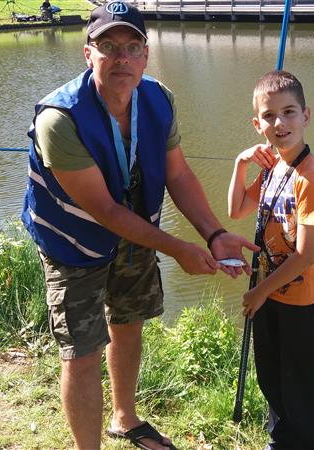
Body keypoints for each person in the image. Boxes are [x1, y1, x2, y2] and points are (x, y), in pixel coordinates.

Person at [21, 2, 256, 449]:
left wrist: (213, 233)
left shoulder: (158, 99)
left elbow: (178, 174)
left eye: (132, 47)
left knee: (128, 325)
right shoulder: (59, 119)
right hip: (74, 244)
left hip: (136, 236)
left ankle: (125, 419)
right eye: (108, 46)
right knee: (82, 353)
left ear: (146, 54)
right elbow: (106, 211)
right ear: (88, 54)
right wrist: (178, 249)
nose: (122, 58)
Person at [227, 70, 314, 450]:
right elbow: (237, 209)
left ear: (306, 116)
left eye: (289, 112)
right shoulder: (273, 168)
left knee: (301, 390)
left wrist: (259, 292)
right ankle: (280, 442)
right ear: (257, 125)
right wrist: (241, 165)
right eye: (269, 116)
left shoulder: (310, 178)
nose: (279, 123)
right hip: (269, 296)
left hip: (300, 302)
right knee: (271, 380)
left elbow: (305, 255)